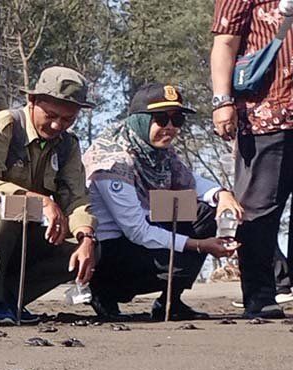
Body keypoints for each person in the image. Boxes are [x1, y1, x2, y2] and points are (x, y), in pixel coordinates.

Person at [84, 84, 244, 321]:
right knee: (183, 251)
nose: (170, 127)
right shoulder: (113, 161)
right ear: (139, 120)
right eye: (161, 118)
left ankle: (170, 301)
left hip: (142, 237)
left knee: (206, 212)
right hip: (110, 252)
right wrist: (200, 245)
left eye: (177, 119)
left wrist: (223, 195)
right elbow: (137, 231)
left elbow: (192, 181)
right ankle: (104, 294)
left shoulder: (159, 153)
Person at [0, 66, 97, 324]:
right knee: (11, 211)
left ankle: (11, 299)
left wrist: (86, 236)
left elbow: (77, 198)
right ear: (32, 101)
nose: (58, 125)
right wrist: (38, 200)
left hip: (28, 232)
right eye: (51, 115)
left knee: (85, 247)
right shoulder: (1, 127)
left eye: (68, 119)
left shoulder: (68, 145)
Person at [211, 0, 293, 318]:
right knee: (259, 209)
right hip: (267, 114)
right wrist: (222, 100)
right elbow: (225, 42)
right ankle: (260, 296)